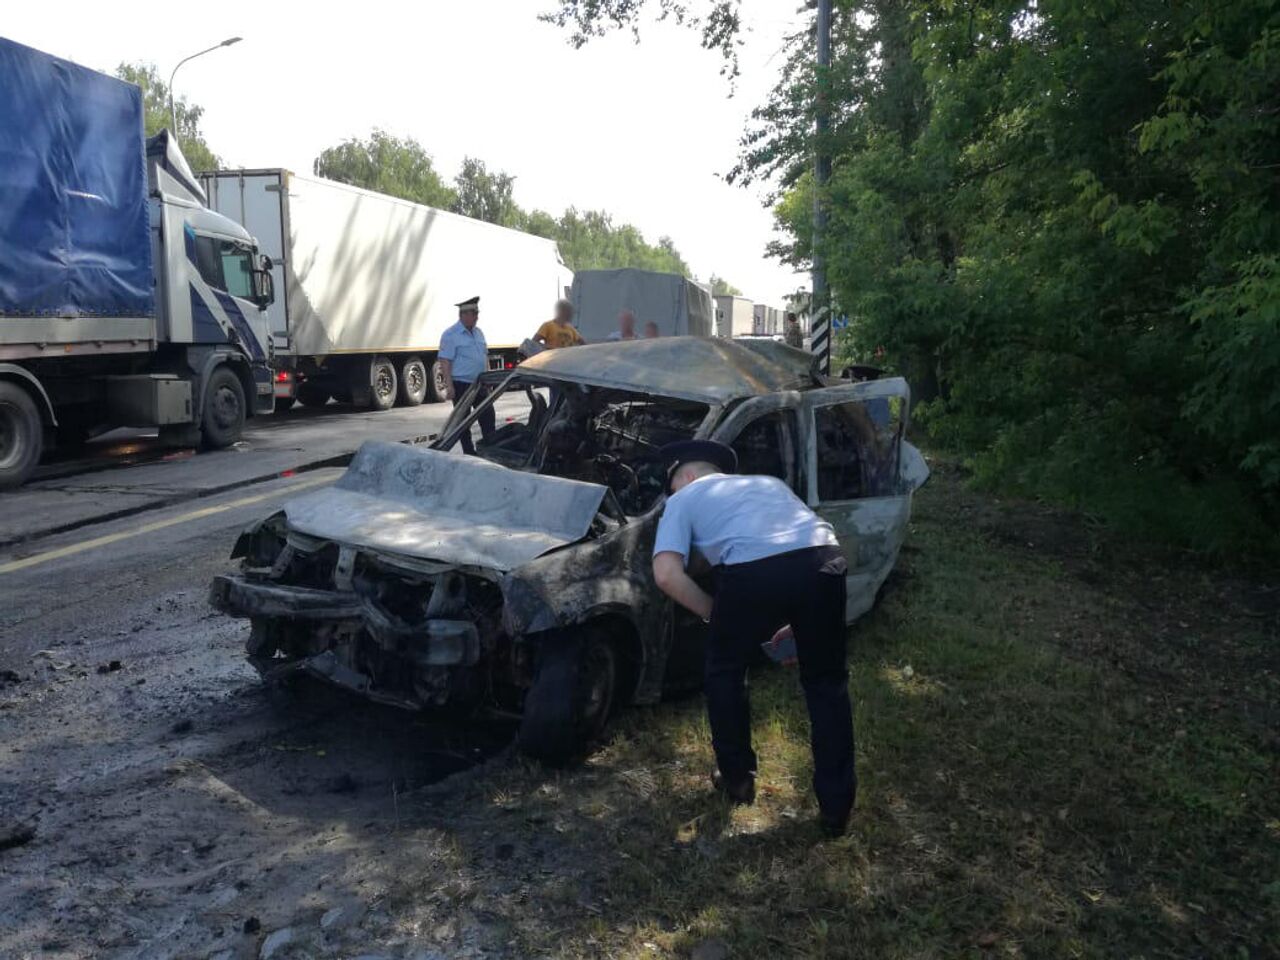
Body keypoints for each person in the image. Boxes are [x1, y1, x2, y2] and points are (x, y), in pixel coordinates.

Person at [651, 439, 855, 837]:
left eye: (673, 484)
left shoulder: (684, 497)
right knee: (827, 684)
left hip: (750, 571)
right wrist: (799, 622)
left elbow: (666, 575)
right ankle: (837, 806)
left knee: (724, 671)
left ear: (686, 476)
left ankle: (737, 778)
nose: (674, 492)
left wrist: (716, 614)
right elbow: (795, 549)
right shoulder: (768, 483)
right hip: (824, 559)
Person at [439, 296, 495, 455]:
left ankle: (490, 450)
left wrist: (489, 378)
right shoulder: (451, 334)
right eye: (474, 313)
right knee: (463, 422)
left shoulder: (479, 333)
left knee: (488, 417)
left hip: (481, 384)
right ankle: (469, 453)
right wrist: (449, 386)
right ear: (463, 315)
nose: (477, 317)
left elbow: (484, 356)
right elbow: (445, 362)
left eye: (477, 313)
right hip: (461, 384)